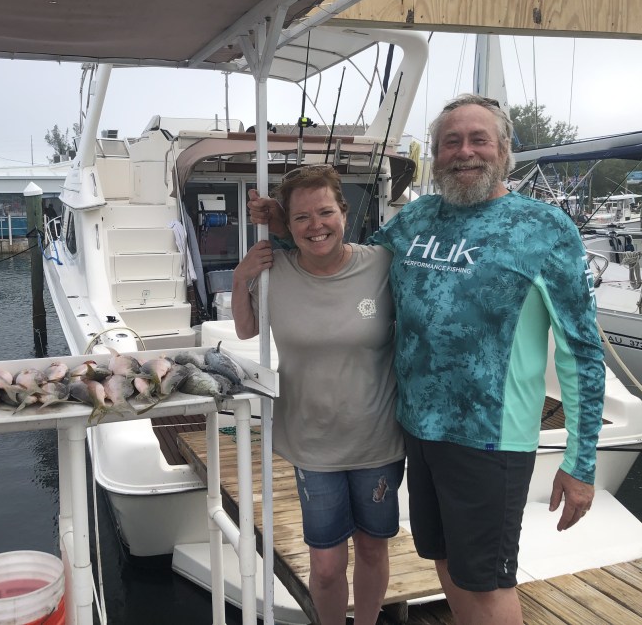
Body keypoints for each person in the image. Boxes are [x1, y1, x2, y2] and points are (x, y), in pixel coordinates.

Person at [249, 94, 604, 625]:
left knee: (485, 580)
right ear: (434, 155)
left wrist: (581, 463)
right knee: (444, 562)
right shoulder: (415, 221)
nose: (464, 153)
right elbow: (344, 260)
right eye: (450, 142)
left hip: (490, 438)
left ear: (505, 149)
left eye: (478, 139)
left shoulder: (545, 230)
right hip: (416, 431)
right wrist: (287, 226)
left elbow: (582, 351)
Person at [233, 164, 405, 625]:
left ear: (344, 213)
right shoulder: (275, 269)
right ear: (287, 226)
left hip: (378, 440)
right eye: (302, 218)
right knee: (327, 567)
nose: (316, 226)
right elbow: (247, 330)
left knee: (372, 548)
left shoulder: (383, 264)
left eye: (325, 212)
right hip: (312, 442)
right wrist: (240, 276)